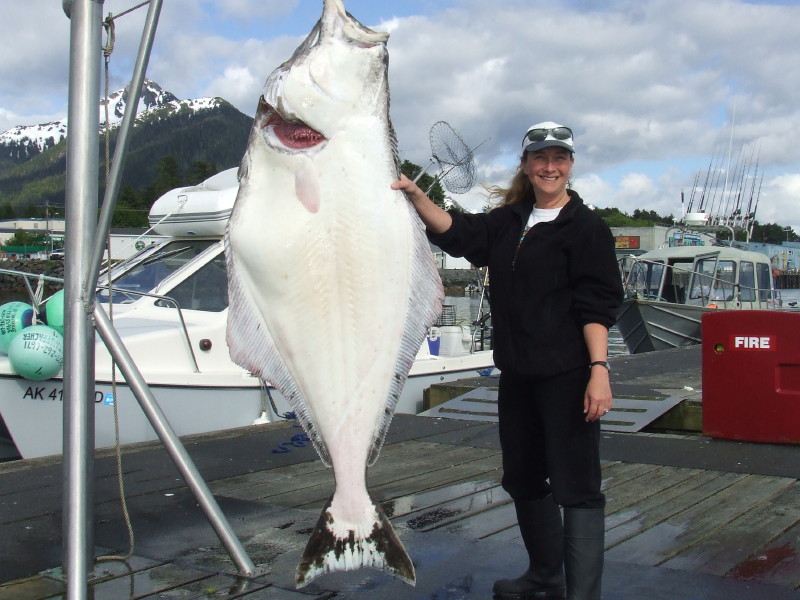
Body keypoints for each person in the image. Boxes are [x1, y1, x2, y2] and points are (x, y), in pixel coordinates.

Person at [393, 122, 623, 600]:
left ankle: (583, 594)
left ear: (571, 166)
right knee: (521, 477)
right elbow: (458, 233)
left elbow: (596, 304)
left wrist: (599, 371)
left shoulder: (587, 229)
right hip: (518, 376)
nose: (549, 166)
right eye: (540, 158)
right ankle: (546, 573)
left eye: (559, 158)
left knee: (576, 486)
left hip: (569, 375)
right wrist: (416, 195)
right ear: (525, 165)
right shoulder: (508, 221)